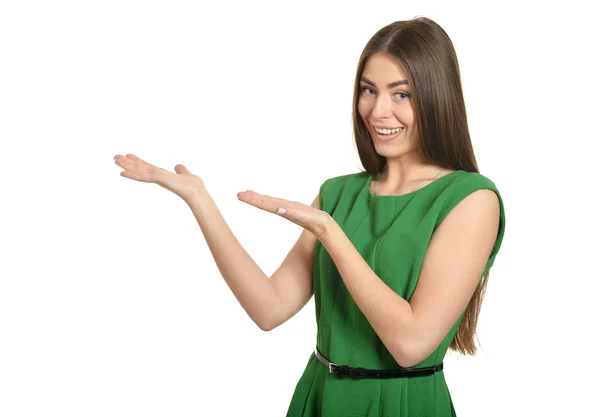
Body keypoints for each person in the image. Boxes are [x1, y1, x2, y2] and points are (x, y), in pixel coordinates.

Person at [113, 16, 505, 417]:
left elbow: (410, 345)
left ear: (437, 96)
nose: (378, 110)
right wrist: (199, 199)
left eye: (401, 94)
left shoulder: (470, 198)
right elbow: (268, 308)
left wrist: (330, 234)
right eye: (368, 90)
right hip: (319, 398)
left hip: (403, 405)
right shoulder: (338, 193)